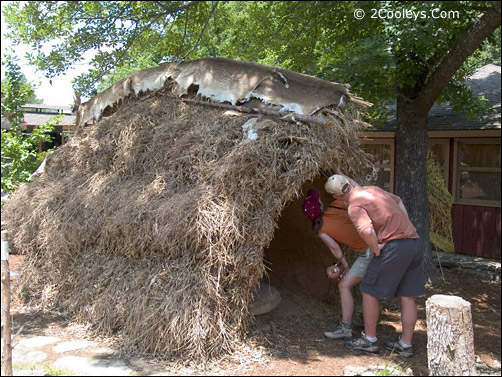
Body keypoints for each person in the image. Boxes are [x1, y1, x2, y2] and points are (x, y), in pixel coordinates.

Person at [324, 174, 425, 358]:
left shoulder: (354, 206)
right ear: (349, 184)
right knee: (407, 295)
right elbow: (399, 201)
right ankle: (405, 344)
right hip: (413, 242)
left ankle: (369, 340)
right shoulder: (372, 189)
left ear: (336, 197)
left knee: (369, 290)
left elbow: (367, 229)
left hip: (394, 247)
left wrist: (375, 248)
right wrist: (405, 227)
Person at [302, 180, 373, 342]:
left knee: (344, 285)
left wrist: (346, 265)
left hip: (369, 252)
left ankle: (346, 327)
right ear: (321, 204)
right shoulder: (336, 206)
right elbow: (354, 192)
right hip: (372, 248)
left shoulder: (320, 230)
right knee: (365, 285)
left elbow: (335, 249)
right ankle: (355, 323)